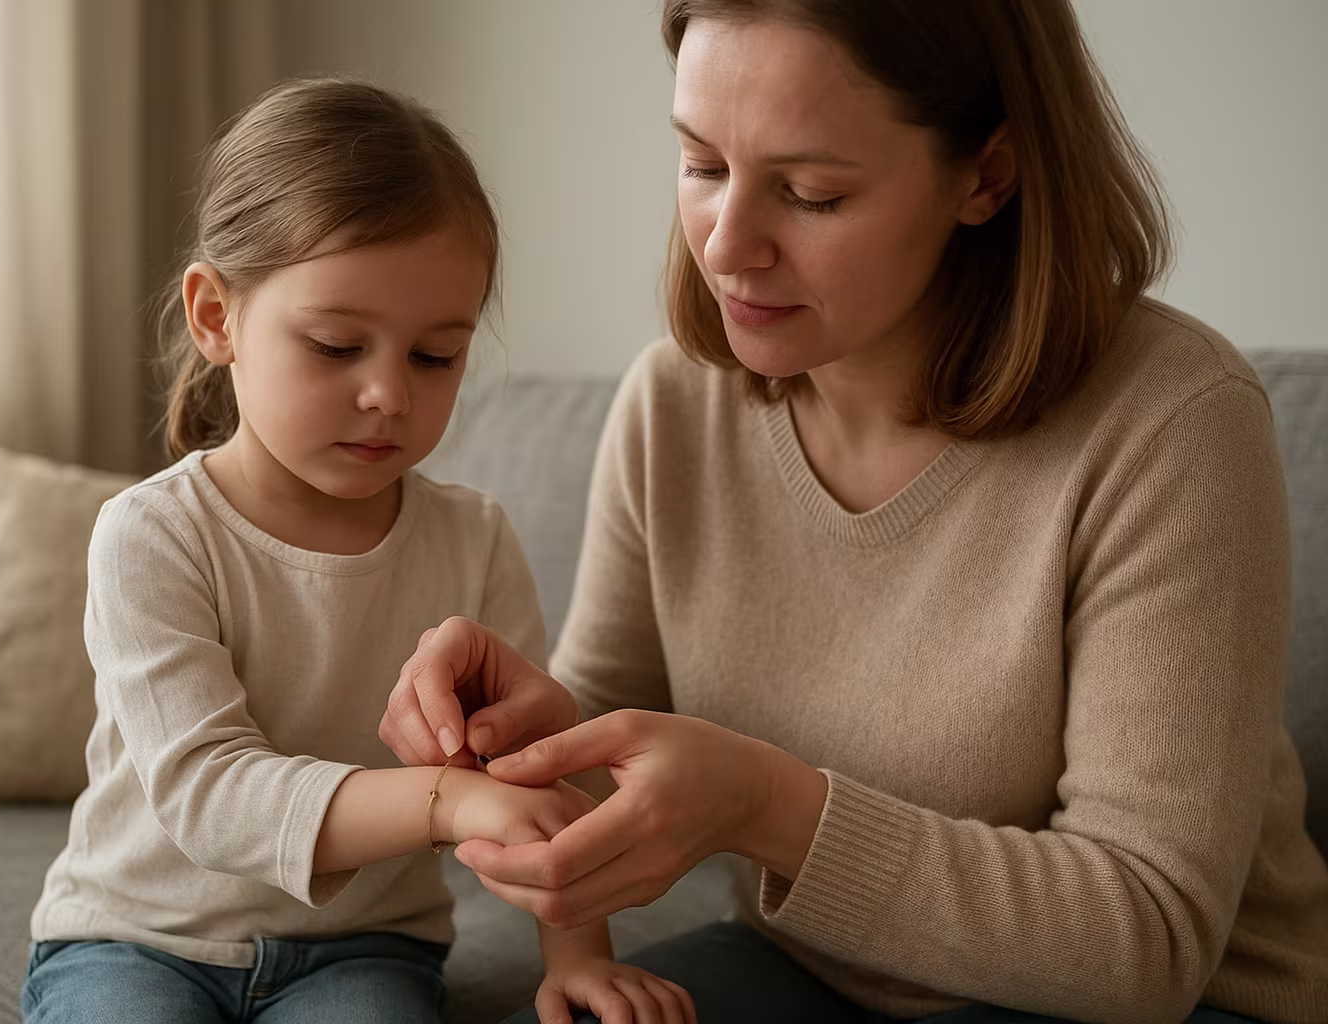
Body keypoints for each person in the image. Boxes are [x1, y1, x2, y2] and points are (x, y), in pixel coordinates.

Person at [378, 2, 1328, 1022]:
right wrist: (519, 737)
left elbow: (1145, 939)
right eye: (702, 165)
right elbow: (613, 729)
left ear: (987, 176)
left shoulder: (1172, 421)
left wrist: (769, 803)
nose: (729, 245)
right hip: (815, 967)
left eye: (810, 193)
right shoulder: (675, 406)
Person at [20, 77, 690, 1024]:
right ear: (218, 318)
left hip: (364, 951)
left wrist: (576, 956)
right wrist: (442, 805)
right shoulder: (153, 534)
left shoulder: (474, 537)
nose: (389, 394)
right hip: (137, 935)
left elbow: (537, 765)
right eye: (337, 345)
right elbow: (209, 791)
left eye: (433, 356)